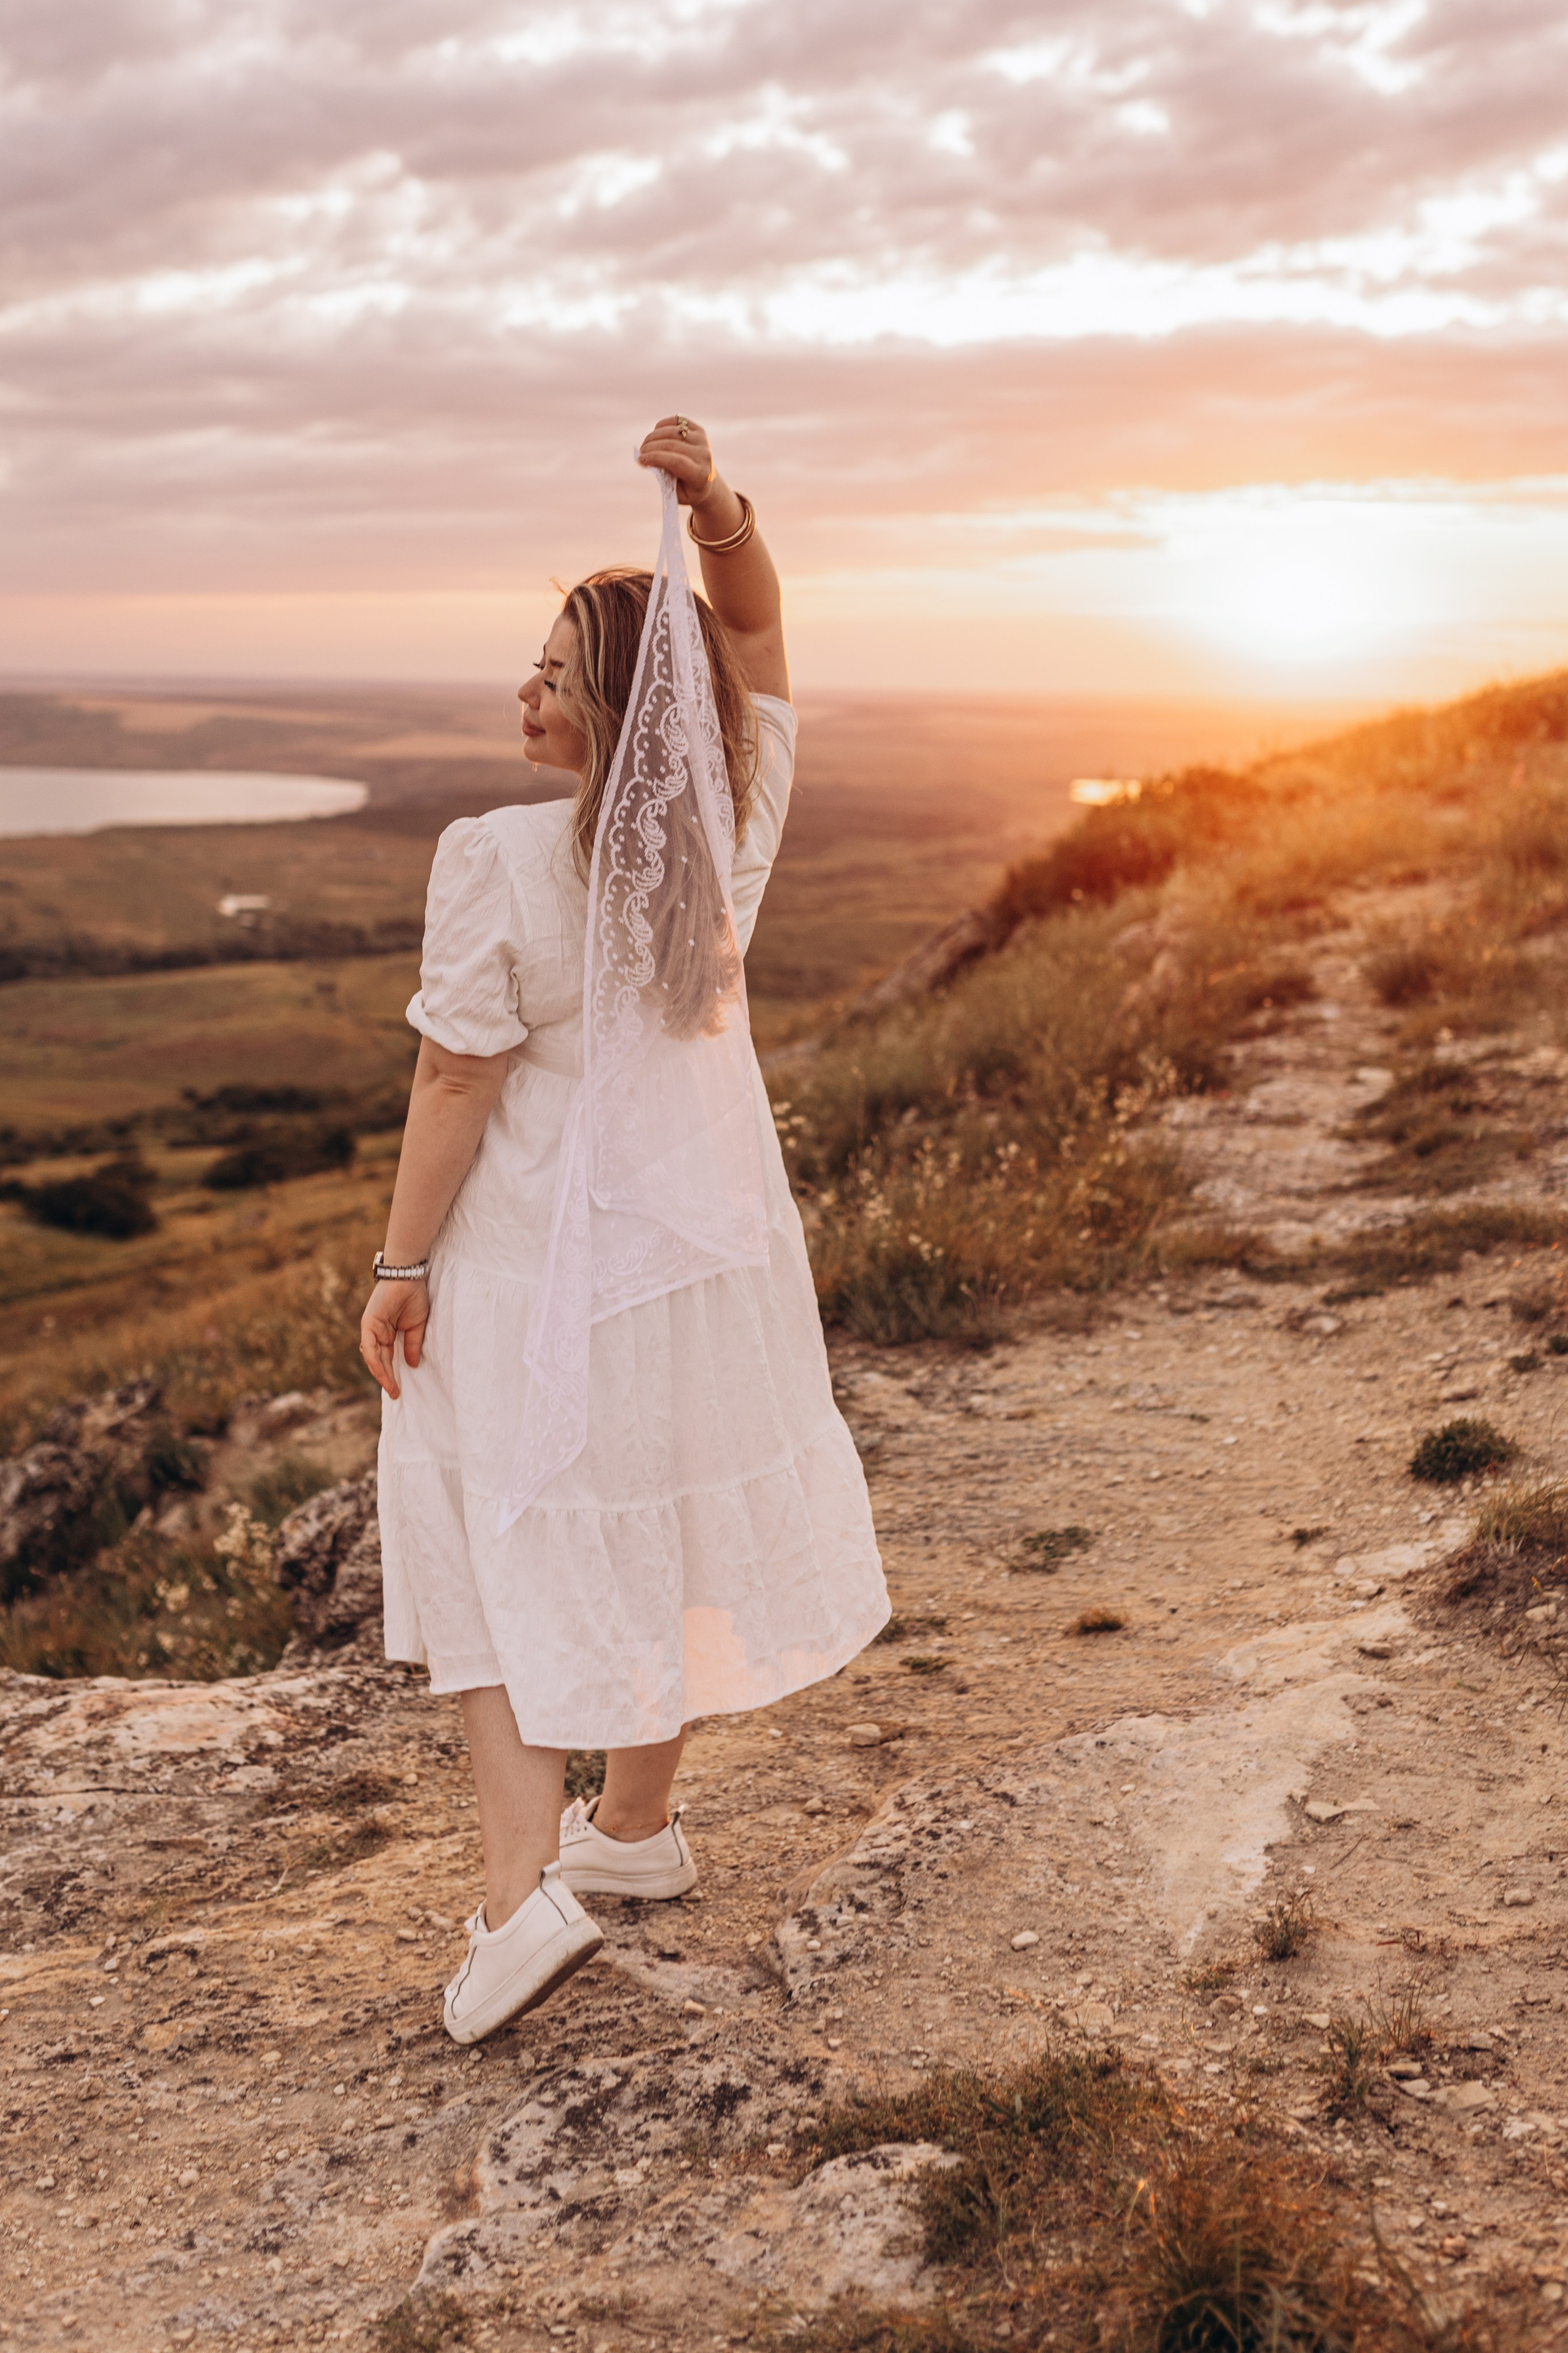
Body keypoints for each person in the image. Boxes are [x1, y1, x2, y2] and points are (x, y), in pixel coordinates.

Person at [360, 416, 889, 2045]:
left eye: (553, 675)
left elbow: (455, 1076)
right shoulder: (728, 818)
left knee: (475, 1535)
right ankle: (637, 1828)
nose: (524, 694)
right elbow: (757, 634)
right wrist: (719, 509)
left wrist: (398, 1268)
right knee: (652, 1513)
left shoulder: (498, 858)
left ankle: (523, 1900)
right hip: (695, 1265)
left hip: (530, 1268)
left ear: (613, 704)